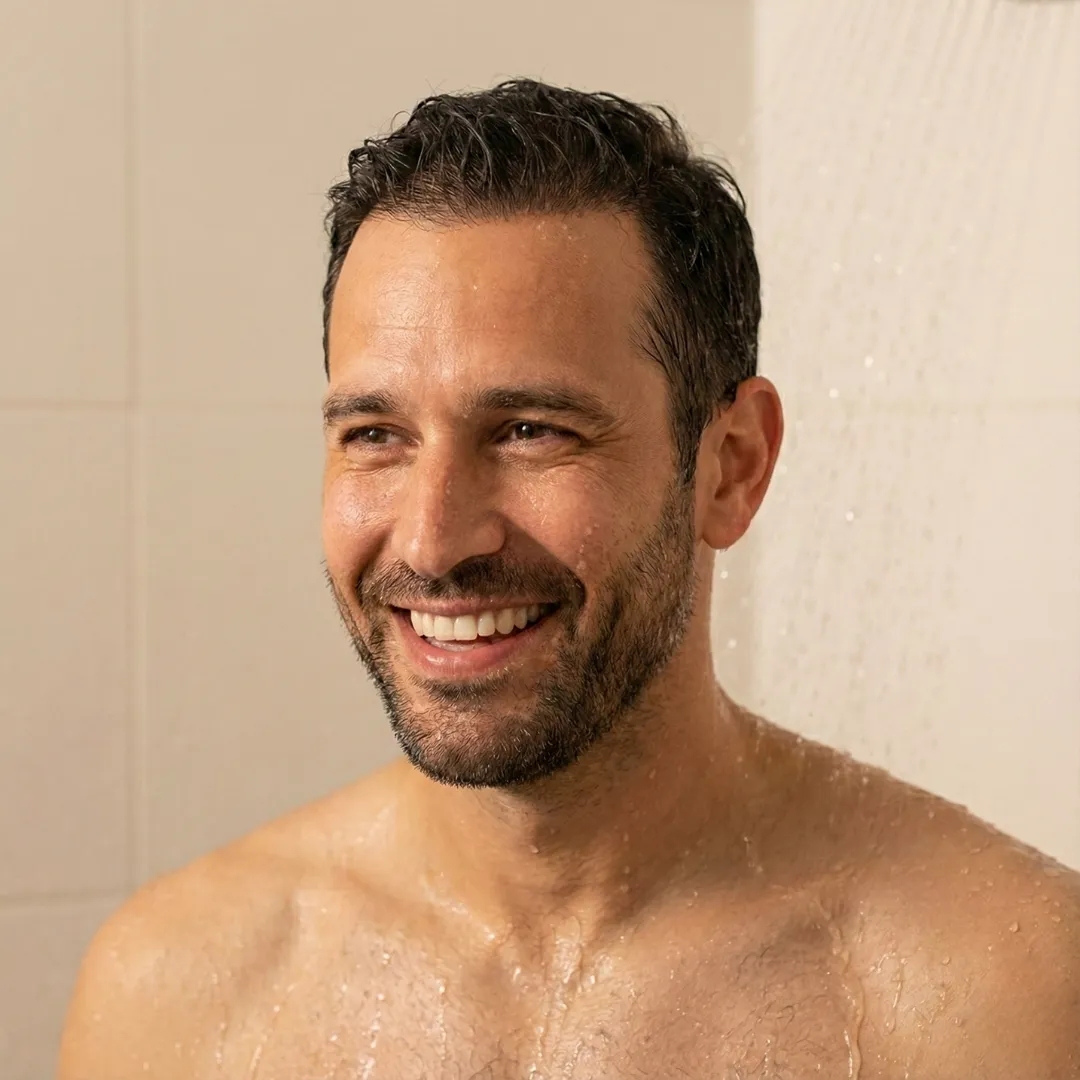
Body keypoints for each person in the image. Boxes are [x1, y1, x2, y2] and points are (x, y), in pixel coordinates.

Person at [58, 78, 1078, 1080]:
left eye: (531, 431)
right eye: (376, 435)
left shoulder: (1002, 994)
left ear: (731, 466)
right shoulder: (181, 994)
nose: (433, 539)